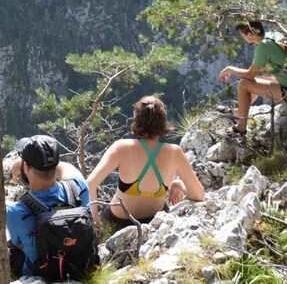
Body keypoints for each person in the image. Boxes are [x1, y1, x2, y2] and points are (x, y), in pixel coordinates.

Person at [0, 135, 93, 278]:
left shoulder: (18, 212)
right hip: (80, 264)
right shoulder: (78, 188)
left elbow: (15, 243)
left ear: (26, 167)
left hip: (39, 272)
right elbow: (66, 168)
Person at [86, 96, 205, 231]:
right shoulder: (174, 152)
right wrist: (178, 184)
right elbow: (199, 195)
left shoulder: (121, 148)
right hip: (154, 222)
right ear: (162, 122)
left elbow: (90, 184)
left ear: (137, 120)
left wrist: (96, 222)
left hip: (117, 223)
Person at [218, 20, 287, 134]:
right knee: (253, 81)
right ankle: (240, 112)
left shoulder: (263, 46)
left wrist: (230, 69)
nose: (243, 38)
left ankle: (241, 127)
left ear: (250, 35)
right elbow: (266, 68)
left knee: (243, 84)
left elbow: (250, 74)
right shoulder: (273, 36)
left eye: (243, 35)